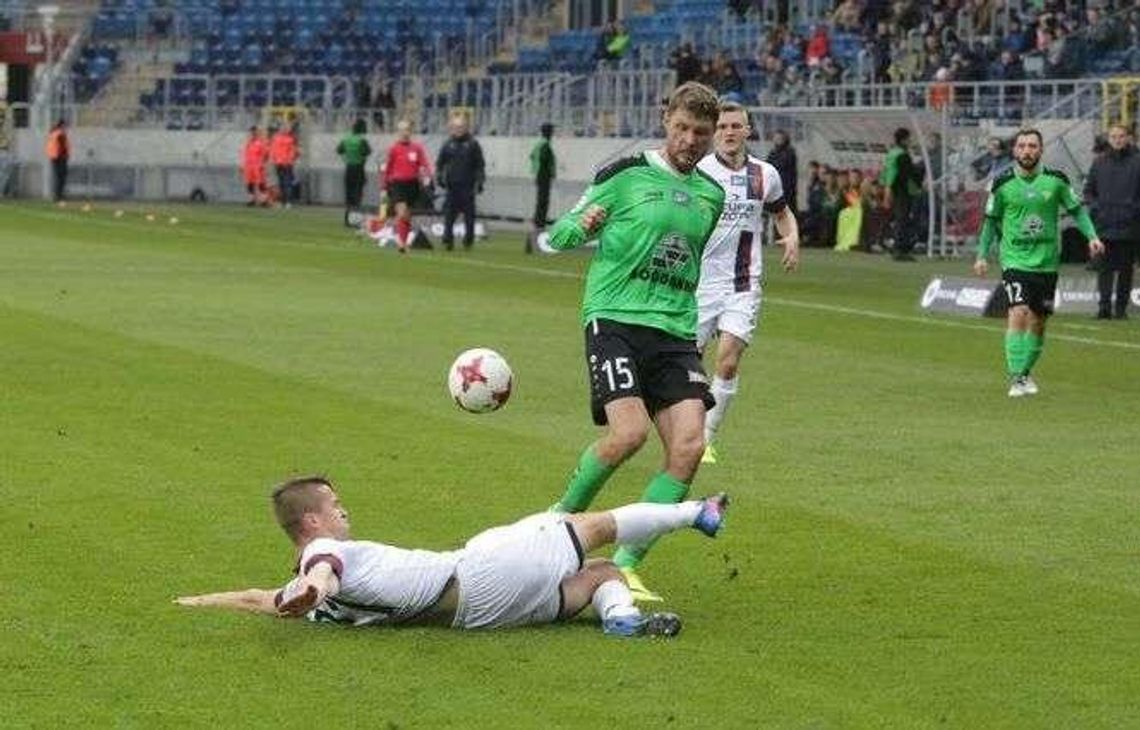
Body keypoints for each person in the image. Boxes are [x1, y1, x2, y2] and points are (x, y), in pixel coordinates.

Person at [545, 81, 725, 602]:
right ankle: (559, 523)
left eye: (701, 133)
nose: (691, 140)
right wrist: (584, 223)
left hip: (674, 330)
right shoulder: (623, 174)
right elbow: (558, 236)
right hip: (615, 319)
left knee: (690, 447)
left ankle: (624, 565)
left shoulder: (711, 195)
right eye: (683, 128)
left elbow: (686, 259)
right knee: (629, 436)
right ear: (665, 118)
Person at [175, 476, 731, 637]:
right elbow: (324, 574)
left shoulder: (312, 598)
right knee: (590, 527)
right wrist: (314, 586)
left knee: (600, 576)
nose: (344, 513)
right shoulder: (323, 551)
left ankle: (623, 621)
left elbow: (265, 599)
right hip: (476, 576)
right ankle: (695, 514)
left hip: (478, 616)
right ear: (312, 523)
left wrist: (201, 601)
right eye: (336, 506)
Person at [696, 102, 799, 465]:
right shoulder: (699, 171)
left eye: (735, 126)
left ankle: (705, 438)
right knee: (688, 367)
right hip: (697, 285)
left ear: (748, 131)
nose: (728, 132)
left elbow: (782, 213)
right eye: (722, 126)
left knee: (727, 361)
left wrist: (792, 237)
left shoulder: (765, 174)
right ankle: (684, 430)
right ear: (714, 132)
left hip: (743, 283)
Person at [972, 128, 1104, 397]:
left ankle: (1024, 374)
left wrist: (1092, 236)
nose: (1027, 151)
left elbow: (1077, 210)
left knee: (1039, 321)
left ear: (1040, 150)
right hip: (1014, 260)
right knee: (1018, 312)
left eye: (1032, 146)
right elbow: (990, 222)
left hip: (1047, 262)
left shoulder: (1056, 181)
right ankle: (1016, 377)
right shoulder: (1002, 183)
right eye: (1022, 146)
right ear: (1015, 150)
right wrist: (982, 255)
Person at [1083, 122, 1140, 320]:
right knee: (1104, 269)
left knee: (1125, 270)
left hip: (1130, 226)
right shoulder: (1099, 162)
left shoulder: (1138, 161)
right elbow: (1088, 192)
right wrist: (1097, 208)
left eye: (1121, 136)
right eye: (1114, 136)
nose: (1117, 140)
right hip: (1103, 225)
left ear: (1128, 138)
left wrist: (1134, 210)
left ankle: (1121, 310)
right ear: (1109, 139)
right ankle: (1104, 308)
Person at [435, 111, 486, 250]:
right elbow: (440, 163)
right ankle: (448, 238)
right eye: (456, 127)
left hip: (468, 184)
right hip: (452, 185)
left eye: (461, 127)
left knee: (469, 214)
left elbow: (480, 164)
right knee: (449, 214)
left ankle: (468, 239)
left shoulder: (473, 144)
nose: (458, 130)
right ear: (451, 128)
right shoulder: (448, 144)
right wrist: (439, 176)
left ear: (466, 128)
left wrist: (480, 181)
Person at [382, 119, 433, 252]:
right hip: (398, 184)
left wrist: (428, 174)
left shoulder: (417, 148)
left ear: (411, 132)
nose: (404, 133)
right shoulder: (393, 149)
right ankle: (401, 244)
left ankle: (402, 242)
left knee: (407, 216)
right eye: (402, 130)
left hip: (413, 184)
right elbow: (387, 168)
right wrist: (384, 185)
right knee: (402, 212)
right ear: (398, 132)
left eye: (407, 130)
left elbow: (424, 163)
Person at [880, 127, 921, 261]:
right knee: (903, 219)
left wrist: (886, 189)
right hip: (902, 190)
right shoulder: (902, 155)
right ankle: (900, 249)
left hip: (892, 189)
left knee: (899, 219)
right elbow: (907, 174)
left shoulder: (891, 153)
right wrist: (920, 181)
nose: (910, 141)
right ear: (904, 140)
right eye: (909, 138)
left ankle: (895, 246)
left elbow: (887, 173)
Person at [336, 119, 372, 228]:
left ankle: (347, 219)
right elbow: (367, 152)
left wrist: (347, 156)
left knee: (349, 195)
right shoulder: (362, 140)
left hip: (348, 168)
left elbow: (339, 150)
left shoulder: (346, 139)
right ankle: (355, 220)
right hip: (359, 168)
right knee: (357, 195)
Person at [527, 122, 556, 253]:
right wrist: (548, 171)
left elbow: (532, 156)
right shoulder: (545, 145)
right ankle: (540, 223)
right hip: (543, 175)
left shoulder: (539, 143)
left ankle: (539, 221)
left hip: (539, 175)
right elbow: (545, 159)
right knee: (543, 201)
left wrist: (535, 167)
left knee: (541, 200)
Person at [766, 129, 797, 215]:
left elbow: (780, 164)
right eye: (775, 138)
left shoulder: (789, 152)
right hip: (775, 188)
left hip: (786, 189)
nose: (777, 140)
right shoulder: (773, 152)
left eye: (779, 138)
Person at [269, 123, 299, 208]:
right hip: (278, 163)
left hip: (287, 164)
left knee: (287, 183)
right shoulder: (276, 137)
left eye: (286, 128)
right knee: (281, 182)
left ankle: (288, 201)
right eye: (283, 128)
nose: (284, 129)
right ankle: (283, 200)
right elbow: (273, 150)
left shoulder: (291, 139)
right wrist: (273, 160)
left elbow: (292, 151)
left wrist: (289, 161)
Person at [240, 125, 269, 207]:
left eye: (254, 132)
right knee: (249, 183)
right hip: (248, 166)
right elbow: (244, 154)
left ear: (257, 133)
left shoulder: (262, 142)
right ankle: (252, 199)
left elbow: (265, 154)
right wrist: (242, 165)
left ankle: (264, 200)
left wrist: (262, 164)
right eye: (251, 132)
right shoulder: (248, 142)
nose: (253, 134)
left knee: (261, 183)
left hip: (258, 165)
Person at [45, 119, 69, 203]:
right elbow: (62, 147)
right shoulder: (60, 134)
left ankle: (56, 195)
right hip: (60, 158)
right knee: (61, 177)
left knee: (57, 177)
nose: (66, 127)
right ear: (62, 125)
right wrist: (65, 156)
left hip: (54, 157)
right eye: (65, 125)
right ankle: (59, 196)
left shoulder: (53, 133)